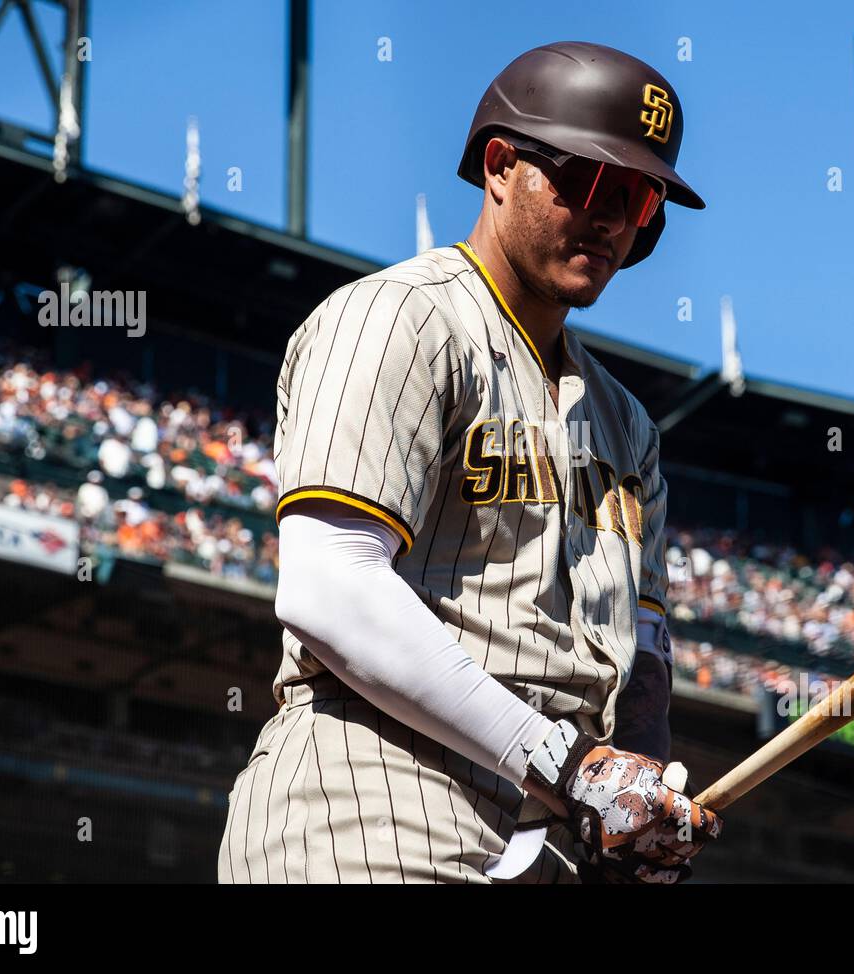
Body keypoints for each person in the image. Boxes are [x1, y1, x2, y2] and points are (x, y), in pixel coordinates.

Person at [218, 41, 722, 884]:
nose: (613, 219)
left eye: (641, 200)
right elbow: (329, 587)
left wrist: (639, 801)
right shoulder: (399, 321)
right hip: (368, 809)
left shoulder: (628, 427)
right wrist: (566, 763)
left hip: (538, 839)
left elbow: (645, 655)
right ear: (499, 165)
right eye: (594, 182)